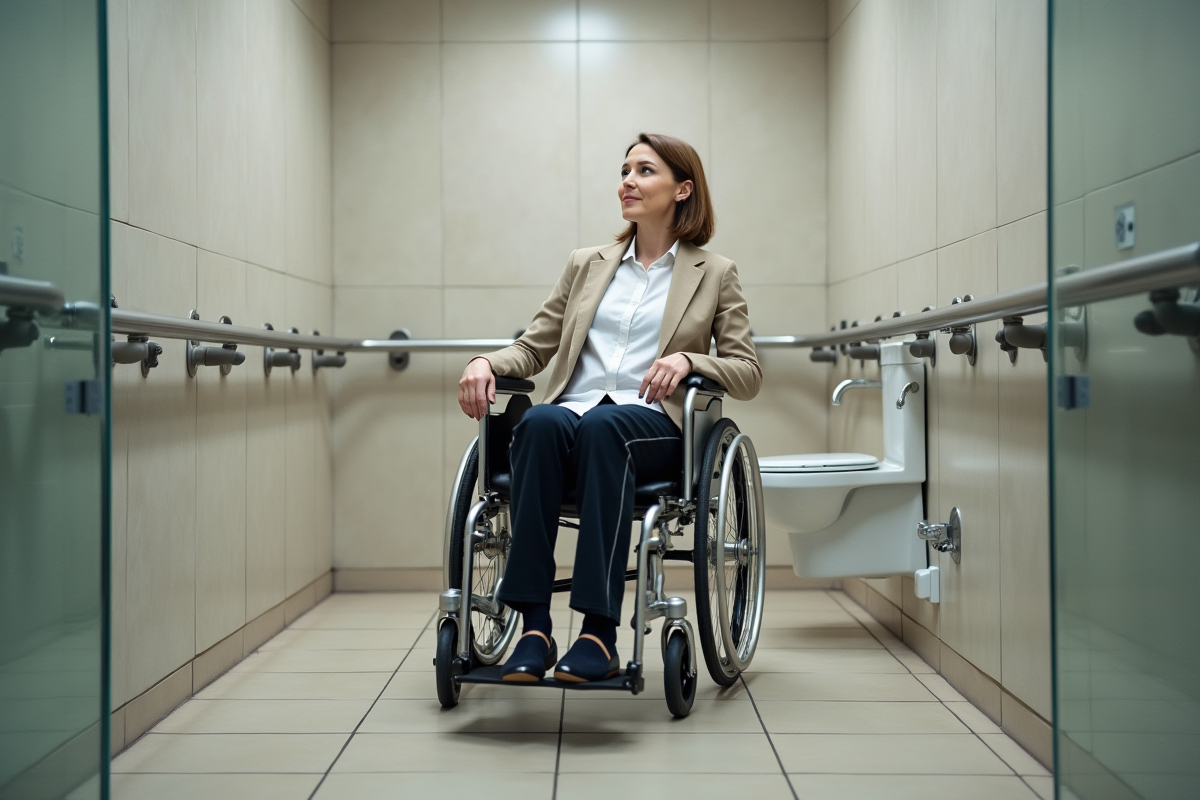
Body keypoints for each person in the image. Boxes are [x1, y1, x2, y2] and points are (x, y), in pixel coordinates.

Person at [457, 133, 760, 684]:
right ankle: (534, 627)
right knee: (538, 422)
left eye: (645, 171)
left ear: (682, 189)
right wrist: (486, 362)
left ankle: (599, 632)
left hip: (652, 425)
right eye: (625, 170)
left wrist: (692, 361)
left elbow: (747, 370)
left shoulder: (713, 272)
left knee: (605, 426)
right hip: (574, 414)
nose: (627, 181)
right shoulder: (587, 264)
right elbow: (535, 346)